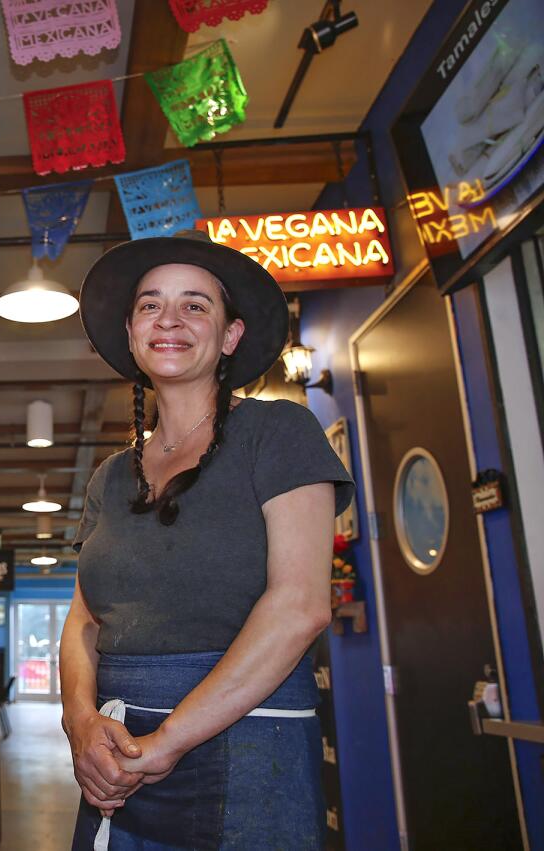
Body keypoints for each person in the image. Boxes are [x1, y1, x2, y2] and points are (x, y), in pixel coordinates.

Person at [61, 230, 354, 850]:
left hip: (249, 735)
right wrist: (82, 723)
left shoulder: (277, 432)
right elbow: (84, 620)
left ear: (230, 336)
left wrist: (168, 741)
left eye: (195, 305)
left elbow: (300, 606)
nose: (169, 319)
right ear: (132, 331)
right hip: (118, 753)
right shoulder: (112, 476)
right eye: (150, 304)